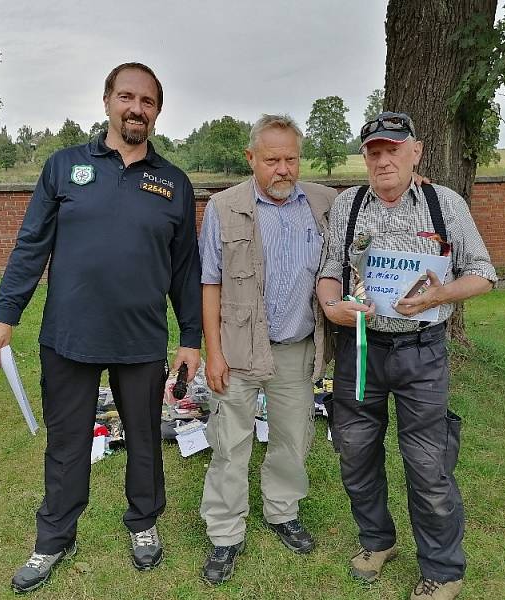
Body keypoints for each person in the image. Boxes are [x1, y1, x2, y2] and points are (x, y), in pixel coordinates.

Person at [0, 62, 201, 594]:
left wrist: (190, 338)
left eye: (147, 101)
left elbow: (186, 268)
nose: (136, 109)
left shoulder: (173, 183)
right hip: (69, 338)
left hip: (140, 340)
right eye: (127, 97)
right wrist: (3, 316)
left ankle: (143, 524)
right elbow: (32, 245)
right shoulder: (64, 167)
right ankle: (54, 538)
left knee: (145, 441)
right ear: (107, 101)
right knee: (67, 444)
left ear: (158, 111)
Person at [317, 111, 497, 600]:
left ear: (415, 151)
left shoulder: (445, 204)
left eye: (393, 149)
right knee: (355, 452)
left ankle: (442, 569)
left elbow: (482, 273)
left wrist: (440, 297)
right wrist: (333, 306)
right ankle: (377, 543)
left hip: (422, 353)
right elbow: (330, 268)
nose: (382, 160)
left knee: (427, 462)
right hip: (361, 350)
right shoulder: (348, 205)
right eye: (374, 151)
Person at [196, 114, 337, 584]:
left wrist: (413, 175)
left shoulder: (325, 203)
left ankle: (282, 511)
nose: (283, 169)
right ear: (251, 159)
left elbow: (376, 206)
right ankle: (224, 532)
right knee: (229, 441)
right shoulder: (223, 207)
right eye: (272, 159)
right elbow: (209, 282)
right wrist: (213, 353)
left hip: (296, 348)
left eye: (291, 158)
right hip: (237, 350)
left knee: (292, 438)